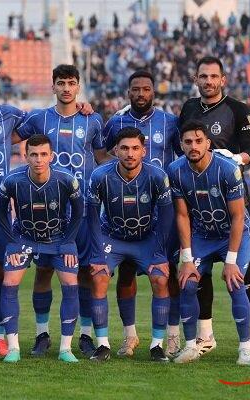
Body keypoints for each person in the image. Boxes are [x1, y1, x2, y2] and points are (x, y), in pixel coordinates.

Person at [0, 63, 93, 357]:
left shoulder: (11, 115)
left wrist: (80, 108)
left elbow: (48, 120)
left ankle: (0, 336)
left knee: (0, 270)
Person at [15, 64, 110, 357]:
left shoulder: (92, 119)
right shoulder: (39, 118)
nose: (66, 88)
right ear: (53, 86)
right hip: (49, 211)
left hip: (85, 209)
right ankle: (42, 334)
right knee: (43, 271)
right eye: (61, 83)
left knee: (84, 273)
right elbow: (8, 135)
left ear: (78, 86)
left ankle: (85, 335)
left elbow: (102, 156)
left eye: (71, 83)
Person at [179, 56, 250, 360]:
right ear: (196, 79)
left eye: (214, 76)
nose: (209, 81)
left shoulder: (239, 110)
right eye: (203, 76)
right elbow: (181, 145)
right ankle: (205, 336)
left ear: (223, 79)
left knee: (242, 274)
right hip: (199, 205)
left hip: (231, 199)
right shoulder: (188, 108)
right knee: (198, 276)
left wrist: (235, 159)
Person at [103, 70, 183, 358]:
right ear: (128, 92)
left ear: (153, 92)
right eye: (135, 89)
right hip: (125, 210)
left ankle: (171, 336)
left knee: (167, 272)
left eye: (146, 89)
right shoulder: (115, 122)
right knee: (126, 273)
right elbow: (100, 153)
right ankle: (130, 336)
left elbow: (181, 157)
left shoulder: (170, 122)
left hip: (162, 211)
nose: (140, 94)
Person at [167, 120, 250, 366]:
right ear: (181, 145)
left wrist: (231, 261)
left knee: (236, 283)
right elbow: (182, 216)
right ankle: (190, 347)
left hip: (232, 235)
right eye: (188, 142)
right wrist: (186, 259)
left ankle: (245, 348)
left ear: (208, 143)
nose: (193, 146)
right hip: (203, 235)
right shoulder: (175, 170)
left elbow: (238, 217)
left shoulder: (228, 169)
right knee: (187, 283)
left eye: (198, 141)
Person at [87, 127, 173, 362]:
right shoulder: (100, 176)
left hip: (146, 239)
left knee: (160, 278)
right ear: (115, 150)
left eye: (135, 148)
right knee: (98, 277)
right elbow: (92, 218)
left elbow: (166, 217)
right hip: (112, 238)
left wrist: (160, 254)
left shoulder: (157, 176)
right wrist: (97, 255)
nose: (130, 153)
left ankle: (157, 345)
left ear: (144, 151)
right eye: (124, 148)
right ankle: (102, 345)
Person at [0, 134, 84, 363]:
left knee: (71, 284)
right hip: (24, 238)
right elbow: (0, 211)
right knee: (9, 283)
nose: (38, 159)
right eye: (33, 154)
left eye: (43, 154)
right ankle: (13, 348)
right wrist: (11, 242)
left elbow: (78, 211)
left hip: (58, 239)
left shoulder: (66, 180)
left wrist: (68, 241)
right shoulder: (12, 180)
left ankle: (65, 349)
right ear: (25, 156)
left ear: (51, 156)